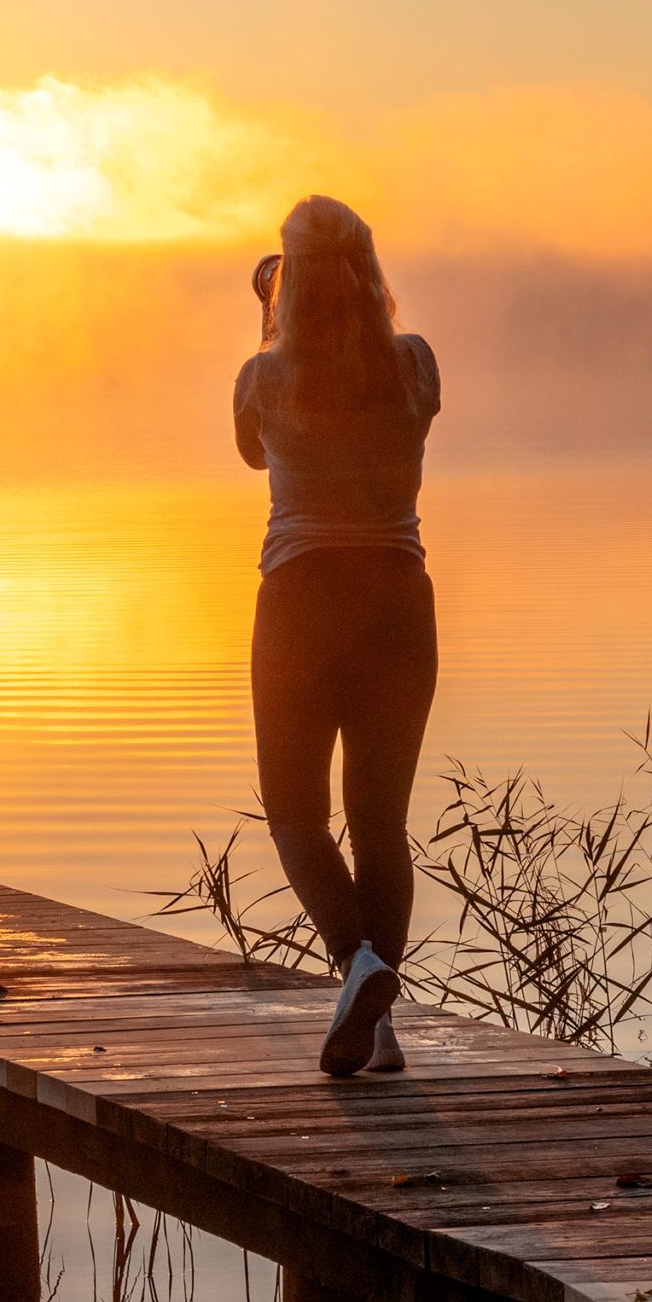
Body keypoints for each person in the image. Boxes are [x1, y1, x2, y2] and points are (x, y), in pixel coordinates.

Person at [233, 195, 440, 1076]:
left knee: (293, 813)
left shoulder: (263, 376)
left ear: (291, 274)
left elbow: (251, 456)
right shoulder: (414, 366)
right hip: (398, 599)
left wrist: (269, 317)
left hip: (302, 600)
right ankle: (380, 1022)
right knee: (380, 823)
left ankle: (357, 965)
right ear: (370, 265)